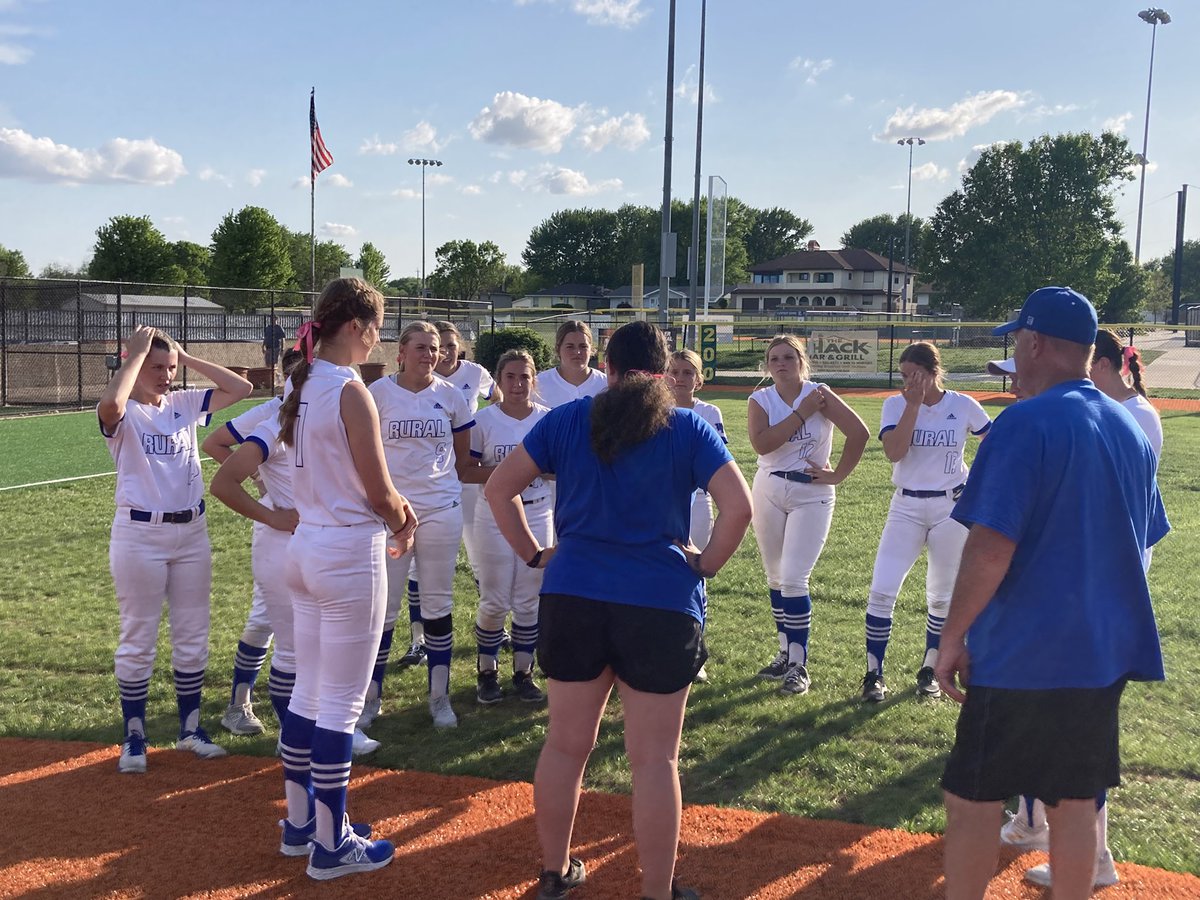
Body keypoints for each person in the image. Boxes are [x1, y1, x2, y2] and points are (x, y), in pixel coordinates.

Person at [485, 320, 753, 900]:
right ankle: (655, 890)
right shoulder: (685, 425)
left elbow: (498, 489)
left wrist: (534, 554)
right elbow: (740, 507)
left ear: (606, 367)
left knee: (564, 746)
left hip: (574, 595)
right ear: (663, 373)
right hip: (659, 602)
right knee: (655, 762)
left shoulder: (566, 418)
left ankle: (554, 873)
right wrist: (705, 564)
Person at [936, 287, 1168, 900]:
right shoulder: (1128, 425)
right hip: (1101, 650)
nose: (1016, 351)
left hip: (1024, 649)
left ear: (1035, 342)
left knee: (973, 798)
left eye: (1018, 339)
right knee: (1075, 800)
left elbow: (990, 548)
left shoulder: (1024, 422)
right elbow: (1144, 535)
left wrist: (951, 637)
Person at [1000, 327, 1166, 890]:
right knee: (1066, 732)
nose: (1016, 385)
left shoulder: (1120, 418)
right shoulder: (1117, 418)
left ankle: (1087, 855)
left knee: (1070, 736)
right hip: (1097, 597)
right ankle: (1036, 824)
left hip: (1082, 601)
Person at [274, 277, 417, 879]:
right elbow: (379, 492)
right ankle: (331, 845)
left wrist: (393, 509)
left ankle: (300, 824)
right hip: (347, 551)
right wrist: (404, 518)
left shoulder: (300, 381)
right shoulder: (349, 389)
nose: (377, 340)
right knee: (339, 704)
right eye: (376, 328)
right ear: (356, 326)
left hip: (307, 544)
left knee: (308, 693)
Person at [98, 325, 252, 774]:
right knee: (138, 638)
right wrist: (134, 356)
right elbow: (111, 406)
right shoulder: (125, 412)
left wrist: (185, 358)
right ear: (134, 365)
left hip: (191, 533)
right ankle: (134, 736)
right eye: (157, 368)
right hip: (139, 535)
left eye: (170, 368)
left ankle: (190, 730)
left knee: (192, 634)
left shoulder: (182, 403)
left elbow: (240, 388)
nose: (166, 376)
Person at [862, 342, 990, 702]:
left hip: (950, 508)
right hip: (906, 505)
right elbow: (894, 452)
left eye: (914, 375)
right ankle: (874, 674)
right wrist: (913, 405)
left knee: (941, 596)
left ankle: (929, 670)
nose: (907, 382)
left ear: (934, 372)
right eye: (903, 375)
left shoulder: (962, 405)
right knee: (882, 589)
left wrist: (977, 484)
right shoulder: (896, 404)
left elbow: (993, 443)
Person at [364, 321, 474, 730]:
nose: (430, 354)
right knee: (383, 606)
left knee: (437, 603)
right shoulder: (377, 393)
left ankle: (439, 698)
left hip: (440, 509)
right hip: (390, 515)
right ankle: (370, 698)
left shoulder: (451, 396)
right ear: (401, 352)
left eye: (435, 348)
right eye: (421, 348)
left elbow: (462, 459)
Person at [747, 335, 869, 696]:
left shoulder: (820, 394)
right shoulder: (761, 399)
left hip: (812, 492)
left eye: (788, 357)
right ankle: (785, 652)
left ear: (802, 361)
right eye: (774, 358)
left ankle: (799, 665)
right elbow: (763, 444)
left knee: (794, 578)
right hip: (769, 487)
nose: (781, 363)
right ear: (767, 365)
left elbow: (859, 433)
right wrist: (802, 413)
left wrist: (838, 475)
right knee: (775, 577)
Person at [202, 348, 302, 739]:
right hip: (279, 527)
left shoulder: (330, 412)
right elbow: (214, 443)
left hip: (315, 531)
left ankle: (313, 713)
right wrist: (261, 481)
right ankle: (240, 704)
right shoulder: (271, 415)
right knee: (267, 619)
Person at [460, 349, 551, 704]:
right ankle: (487, 671)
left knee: (529, 599)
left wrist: (535, 471)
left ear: (534, 380)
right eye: (510, 377)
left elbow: (561, 467)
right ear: (498, 381)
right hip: (493, 514)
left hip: (538, 510)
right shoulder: (484, 421)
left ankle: (524, 673)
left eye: (524, 377)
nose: (517, 384)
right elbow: (466, 471)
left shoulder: (547, 419)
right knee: (495, 599)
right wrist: (511, 473)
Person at [534, 319, 608, 408]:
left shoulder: (606, 385)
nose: (577, 352)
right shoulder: (539, 384)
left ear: (591, 349)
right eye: (570, 347)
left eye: (583, 346)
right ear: (558, 349)